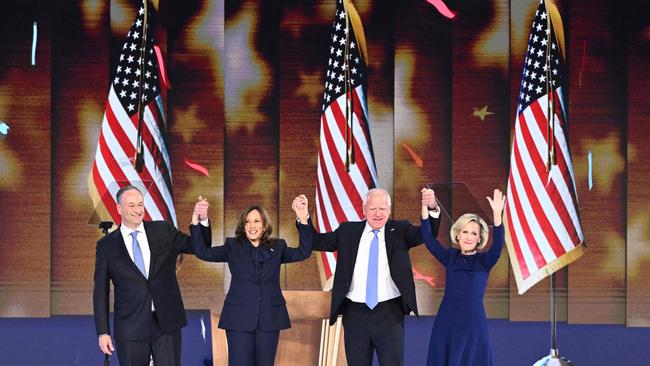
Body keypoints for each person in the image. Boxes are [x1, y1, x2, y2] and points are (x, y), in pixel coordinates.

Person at [310, 187, 440, 366]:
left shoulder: (401, 230)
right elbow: (318, 241)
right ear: (364, 210)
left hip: (389, 313)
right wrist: (303, 219)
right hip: (355, 314)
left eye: (382, 208)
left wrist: (432, 207)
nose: (378, 213)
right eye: (372, 209)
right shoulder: (348, 231)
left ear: (389, 209)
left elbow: (429, 233)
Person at [189, 194, 314, 366]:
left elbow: (304, 252)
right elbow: (203, 252)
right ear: (243, 226)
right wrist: (197, 220)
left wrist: (303, 219)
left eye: (256, 221)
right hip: (238, 320)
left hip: (269, 319)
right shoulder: (232, 246)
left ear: (264, 225)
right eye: (247, 222)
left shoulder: (278, 247)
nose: (252, 226)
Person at [93, 185, 211, 366]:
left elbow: (198, 248)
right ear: (119, 208)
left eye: (140, 204)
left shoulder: (162, 230)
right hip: (130, 326)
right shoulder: (106, 246)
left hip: (166, 322)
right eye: (131, 205)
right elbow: (100, 292)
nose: (137, 210)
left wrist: (200, 221)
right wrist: (103, 332)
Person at [421, 188, 506, 366]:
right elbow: (428, 239)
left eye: (474, 233)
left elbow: (498, 245)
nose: (469, 237)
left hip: (473, 323)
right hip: (447, 321)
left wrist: (497, 216)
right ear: (458, 234)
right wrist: (424, 207)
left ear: (479, 239)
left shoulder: (484, 261)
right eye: (465, 232)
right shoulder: (450, 258)